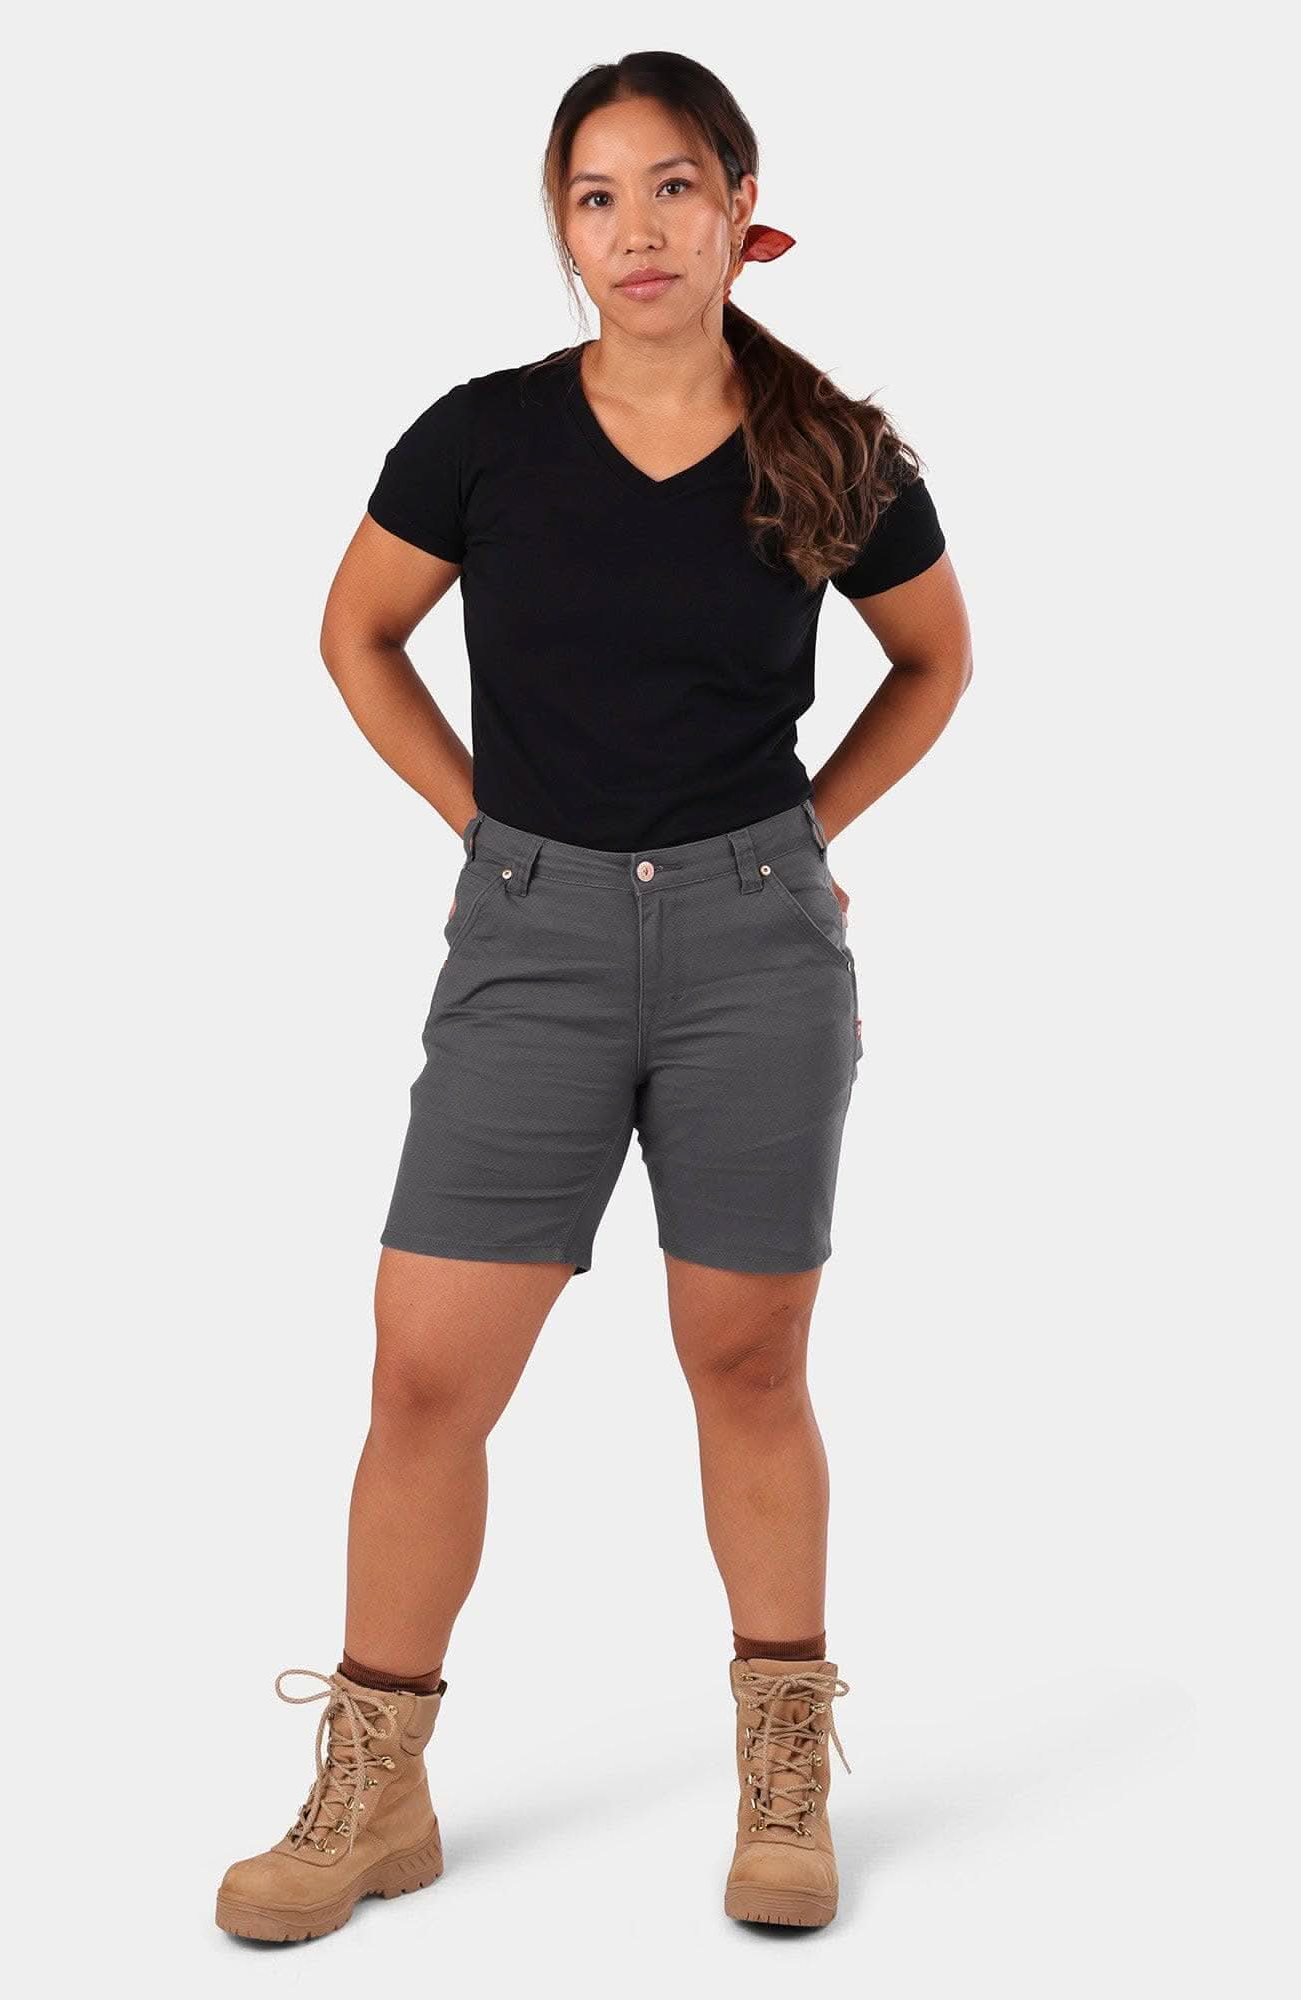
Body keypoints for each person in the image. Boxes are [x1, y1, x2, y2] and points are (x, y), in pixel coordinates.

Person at [215, 50, 972, 1942]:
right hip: (531, 937)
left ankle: (781, 1777)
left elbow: (933, 661)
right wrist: (487, 827)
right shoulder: (482, 437)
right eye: (595, 195)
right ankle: (375, 1792)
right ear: (561, 228)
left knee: (747, 1364)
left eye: (673, 186)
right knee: (422, 1376)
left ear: (739, 208)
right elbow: (356, 635)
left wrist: (802, 833)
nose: (636, 229)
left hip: (752, 952)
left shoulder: (830, 452)